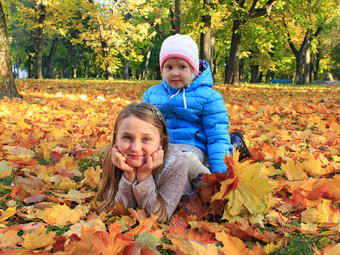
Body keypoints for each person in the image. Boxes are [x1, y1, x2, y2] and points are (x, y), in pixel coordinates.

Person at [142, 34, 251, 188]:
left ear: (193, 69)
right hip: (163, 150)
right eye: (169, 67)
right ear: (162, 69)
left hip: (193, 149)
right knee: (161, 171)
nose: (175, 73)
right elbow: (143, 128)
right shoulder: (152, 95)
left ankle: (212, 185)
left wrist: (220, 172)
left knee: (186, 164)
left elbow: (216, 136)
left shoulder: (209, 97)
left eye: (182, 67)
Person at [95, 103, 194, 223]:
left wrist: (144, 176)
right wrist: (129, 176)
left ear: (161, 142)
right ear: (116, 138)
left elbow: (160, 218)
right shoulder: (113, 155)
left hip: (189, 170)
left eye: (146, 139)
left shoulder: (176, 163)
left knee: (193, 163)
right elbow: (115, 210)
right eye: (127, 137)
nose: (135, 148)